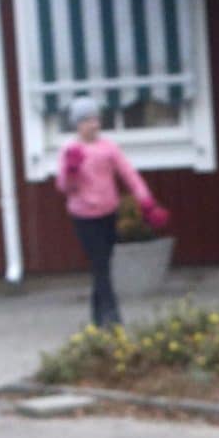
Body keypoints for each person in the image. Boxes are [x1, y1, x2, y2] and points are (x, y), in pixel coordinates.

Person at [54, 95, 166, 327]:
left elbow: (129, 174)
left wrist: (146, 202)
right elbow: (64, 187)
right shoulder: (69, 149)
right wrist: (71, 170)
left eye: (95, 119)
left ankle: (97, 319)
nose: (93, 125)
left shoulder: (108, 148)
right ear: (77, 124)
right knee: (100, 264)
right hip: (84, 217)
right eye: (86, 120)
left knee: (102, 264)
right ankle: (112, 317)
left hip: (108, 212)